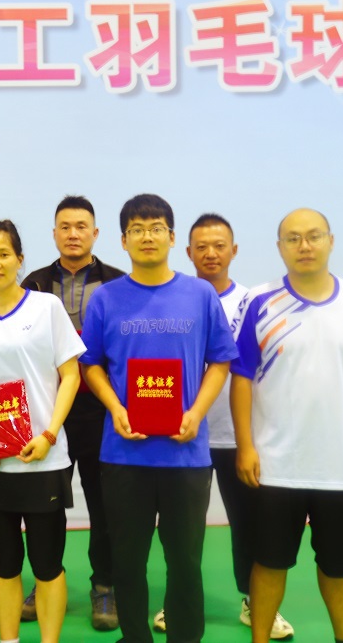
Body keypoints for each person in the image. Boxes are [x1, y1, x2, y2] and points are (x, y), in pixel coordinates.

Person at [231, 208, 343, 643]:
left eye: (313, 236)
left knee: (339, 568)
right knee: (268, 563)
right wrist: (245, 446)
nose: (304, 245)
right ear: (279, 247)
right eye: (293, 238)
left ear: (331, 241)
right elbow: (241, 379)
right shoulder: (260, 302)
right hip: (275, 468)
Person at [80, 194, 238, 643]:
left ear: (171, 237)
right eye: (136, 229)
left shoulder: (200, 295)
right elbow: (90, 364)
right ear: (123, 240)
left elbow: (220, 360)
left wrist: (196, 412)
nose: (146, 237)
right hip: (123, 454)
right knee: (127, 561)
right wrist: (116, 408)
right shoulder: (106, 298)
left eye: (155, 228)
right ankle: (135, 637)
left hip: (185, 455)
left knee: (185, 562)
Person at [149, 213, 293, 639]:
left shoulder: (253, 303)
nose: (210, 254)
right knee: (180, 530)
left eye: (219, 246)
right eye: (201, 247)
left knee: (248, 525)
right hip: (181, 436)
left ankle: (254, 602)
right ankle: (178, 602)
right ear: (187, 252)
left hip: (237, 437)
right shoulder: (171, 297)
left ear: (234, 250)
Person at [0, 220, 84, 643]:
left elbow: (70, 376)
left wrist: (50, 434)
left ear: (20, 259)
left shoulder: (46, 307)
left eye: (4, 254)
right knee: (4, 564)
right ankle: (10, 639)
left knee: (47, 564)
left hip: (44, 458)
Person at [20, 195, 123, 630]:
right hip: (49, 413)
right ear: (54, 233)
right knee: (46, 507)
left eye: (81, 226)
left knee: (104, 505)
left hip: (100, 412)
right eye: (65, 227)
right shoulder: (34, 283)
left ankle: (105, 585)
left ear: (95, 233)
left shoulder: (118, 284)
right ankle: (47, 581)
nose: (73, 234)